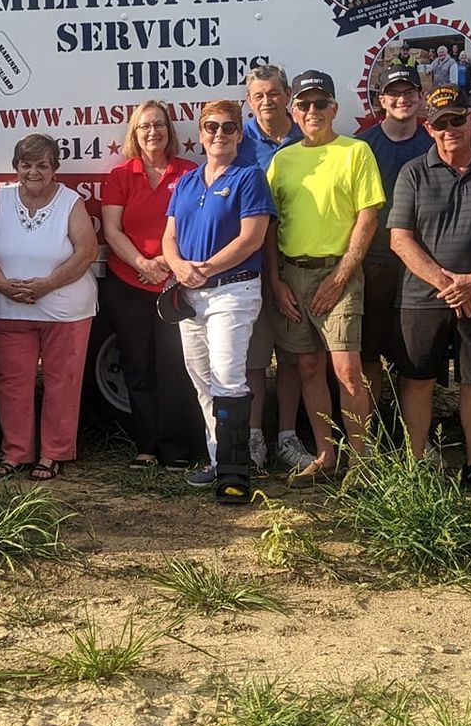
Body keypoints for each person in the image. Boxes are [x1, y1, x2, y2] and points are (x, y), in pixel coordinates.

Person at [387, 87, 471, 488]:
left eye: (458, 120)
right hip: (421, 296)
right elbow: (399, 238)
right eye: (441, 123)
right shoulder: (413, 171)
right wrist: (448, 284)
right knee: (417, 379)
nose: (450, 129)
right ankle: (413, 465)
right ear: (429, 128)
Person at [266, 69, 386, 487]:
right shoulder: (282, 159)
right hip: (291, 275)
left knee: (348, 370)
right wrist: (275, 281)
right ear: (293, 111)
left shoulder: (355, 152)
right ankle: (326, 455)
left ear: (334, 108)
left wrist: (341, 275)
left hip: (340, 275)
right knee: (308, 366)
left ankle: (363, 463)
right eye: (304, 104)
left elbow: (368, 218)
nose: (312, 111)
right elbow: (268, 224)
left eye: (321, 103)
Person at [163, 99, 276, 501]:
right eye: (212, 127)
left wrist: (204, 268)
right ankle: (216, 459)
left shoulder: (249, 177)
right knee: (202, 380)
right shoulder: (189, 181)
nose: (219, 135)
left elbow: (252, 238)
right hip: (190, 294)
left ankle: (235, 472)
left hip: (233, 290)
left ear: (239, 134)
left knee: (228, 377)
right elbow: (169, 236)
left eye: (228, 128)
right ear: (200, 132)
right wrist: (178, 266)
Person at [0, 135, 99, 481]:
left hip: (64, 310)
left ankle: (53, 453)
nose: (33, 172)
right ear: (16, 168)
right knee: (12, 383)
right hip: (8, 309)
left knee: (63, 382)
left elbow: (87, 251)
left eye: (42, 165)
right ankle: (15, 452)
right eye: (26, 164)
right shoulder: (0, 199)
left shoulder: (70, 202)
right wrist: (0, 284)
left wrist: (48, 284)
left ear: (54, 169)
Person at [99, 100, 200, 468]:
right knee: (137, 366)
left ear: (169, 130)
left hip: (175, 284)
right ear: (134, 133)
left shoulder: (188, 173)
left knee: (175, 366)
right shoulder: (121, 175)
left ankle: (177, 449)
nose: (152, 132)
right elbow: (112, 229)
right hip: (128, 283)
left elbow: (196, 225)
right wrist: (142, 262)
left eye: (159, 125)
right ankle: (146, 446)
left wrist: (166, 265)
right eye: (144, 126)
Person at [236, 65, 310, 473]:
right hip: (252, 264)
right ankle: (253, 436)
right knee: (254, 358)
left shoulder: (309, 136)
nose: (267, 101)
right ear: (250, 101)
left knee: (294, 355)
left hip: (298, 260)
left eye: (274, 93)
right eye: (258, 95)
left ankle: (286, 436)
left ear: (287, 96)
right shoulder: (237, 139)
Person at [355, 64, 431, 412]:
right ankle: (372, 431)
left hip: (422, 265)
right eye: (395, 93)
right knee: (368, 351)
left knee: (412, 354)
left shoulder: (434, 143)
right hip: (374, 263)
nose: (402, 99)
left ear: (421, 97)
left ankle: (411, 431)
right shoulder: (363, 147)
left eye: (409, 92)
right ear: (381, 100)